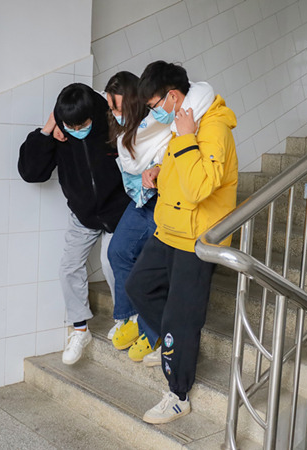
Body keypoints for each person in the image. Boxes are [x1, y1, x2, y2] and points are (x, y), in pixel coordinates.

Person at [125, 61, 238, 424]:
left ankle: (178, 395)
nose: (154, 112)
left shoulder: (211, 126)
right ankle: (177, 343)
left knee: (181, 316)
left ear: (173, 95)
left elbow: (200, 187)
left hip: (198, 237)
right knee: (139, 286)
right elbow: (184, 175)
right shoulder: (183, 122)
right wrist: (159, 172)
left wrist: (187, 138)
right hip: (171, 229)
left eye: (155, 104)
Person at [18, 83, 129, 365]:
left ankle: (125, 319)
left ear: (94, 114)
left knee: (110, 261)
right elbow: (32, 173)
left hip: (118, 211)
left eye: (83, 125)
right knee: (68, 268)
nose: (77, 130)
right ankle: (80, 330)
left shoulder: (111, 121)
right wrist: (48, 129)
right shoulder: (61, 130)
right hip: (83, 216)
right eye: (71, 126)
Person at [103, 71, 171, 361]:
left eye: (117, 107)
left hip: (162, 198)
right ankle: (131, 317)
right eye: (111, 108)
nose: (114, 113)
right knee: (117, 251)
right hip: (142, 198)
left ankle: (152, 331)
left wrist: (158, 168)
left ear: (133, 103)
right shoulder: (125, 132)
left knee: (149, 266)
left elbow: (170, 152)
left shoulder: (160, 124)